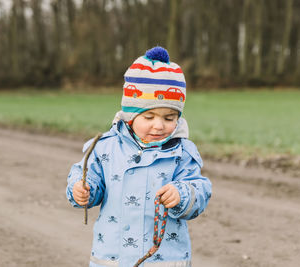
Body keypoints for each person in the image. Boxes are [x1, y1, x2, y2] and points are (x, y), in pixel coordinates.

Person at [66, 46, 212, 267]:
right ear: (130, 116)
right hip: (112, 257)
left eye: (170, 117)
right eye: (149, 116)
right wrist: (82, 189)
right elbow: (86, 176)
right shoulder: (106, 147)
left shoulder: (182, 153)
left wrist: (182, 195)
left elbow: (199, 190)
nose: (159, 125)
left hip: (163, 259)